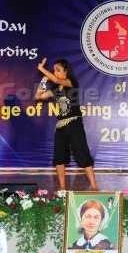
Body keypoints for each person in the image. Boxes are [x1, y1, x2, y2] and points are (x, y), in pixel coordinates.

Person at [34, 57, 98, 191]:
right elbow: (38, 96)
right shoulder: (55, 90)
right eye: (54, 71)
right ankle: (62, 188)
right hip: (61, 126)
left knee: (82, 154)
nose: (55, 73)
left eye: (58, 70)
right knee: (59, 157)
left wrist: (41, 69)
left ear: (66, 71)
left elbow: (57, 80)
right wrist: (43, 80)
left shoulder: (71, 82)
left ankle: (94, 186)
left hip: (74, 123)